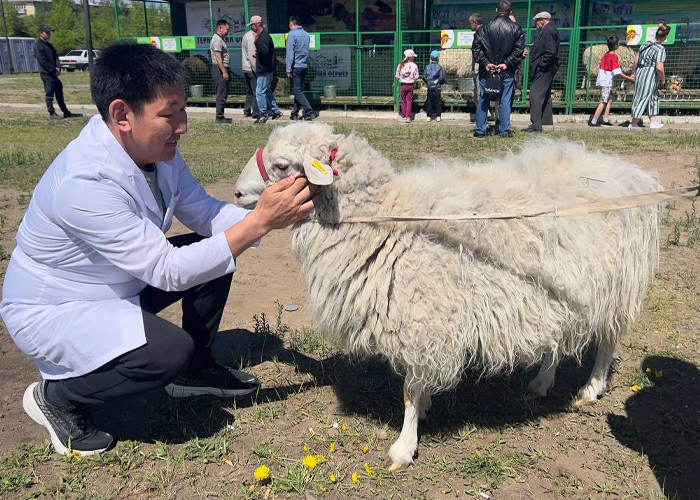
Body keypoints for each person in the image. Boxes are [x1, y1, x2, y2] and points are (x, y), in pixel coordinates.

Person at [0, 43, 316, 456]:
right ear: (122, 115)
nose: (182, 125)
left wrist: (272, 216)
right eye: (170, 114)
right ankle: (58, 397)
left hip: (119, 282)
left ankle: (196, 370)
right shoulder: (84, 182)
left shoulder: (157, 151)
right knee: (167, 351)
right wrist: (259, 222)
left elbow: (202, 211)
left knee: (214, 250)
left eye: (183, 110)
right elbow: (168, 271)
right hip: (60, 306)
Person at [471, 0, 525, 138]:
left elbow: (476, 49)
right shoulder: (516, 29)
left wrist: (486, 63)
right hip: (506, 71)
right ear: (510, 12)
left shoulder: (483, 29)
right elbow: (518, 50)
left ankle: (480, 131)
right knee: (505, 101)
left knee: (484, 99)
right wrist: (506, 63)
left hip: (487, 71)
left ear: (496, 10)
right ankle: (504, 131)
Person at [35, 25, 82, 120]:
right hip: (46, 74)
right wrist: (53, 70)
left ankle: (66, 112)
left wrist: (58, 67)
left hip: (54, 74)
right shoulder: (38, 45)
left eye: (49, 32)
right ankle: (51, 113)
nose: (49, 34)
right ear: (41, 33)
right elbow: (43, 61)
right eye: (47, 32)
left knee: (59, 92)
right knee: (49, 94)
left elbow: (56, 58)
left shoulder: (49, 45)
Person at [523, 11, 559, 133]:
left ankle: (536, 125)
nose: (535, 25)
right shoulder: (548, 30)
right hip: (547, 68)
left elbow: (550, 52)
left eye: (536, 22)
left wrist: (541, 66)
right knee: (545, 95)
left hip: (545, 69)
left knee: (535, 94)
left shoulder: (548, 31)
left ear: (542, 20)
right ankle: (546, 122)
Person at [629, 23, 670, 130]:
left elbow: (636, 60)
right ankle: (633, 123)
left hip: (640, 72)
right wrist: (663, 78)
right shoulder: (660, 49)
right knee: (642, 97)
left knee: (652, 96)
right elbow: (659, 67)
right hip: (650, 74)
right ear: (665, 37)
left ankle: (653, 121)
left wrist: (633, 73)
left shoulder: (645, 44)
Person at [589, 35, 634, 127]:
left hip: (604, 80)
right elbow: (618, 72)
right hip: (606, 82)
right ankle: (594, 121)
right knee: (604, 101)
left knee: (609, 100)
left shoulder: (606, 55)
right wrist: (630, 78)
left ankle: (605, 119)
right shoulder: (613, 57)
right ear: (616, 45)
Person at [250, 15, 282, 124]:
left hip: (264, 70)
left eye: (252, 25)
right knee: (267, 91)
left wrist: (256, 42)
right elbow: (264, 52)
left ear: (256, 25)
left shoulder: (262, 38)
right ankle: (276, 111)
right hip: (268, 69)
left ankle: (263, 114)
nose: (251, 28)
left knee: (259, 92)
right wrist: (257, 53)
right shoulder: (265, 36)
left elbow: (264, 52)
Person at [287, 16, 317, 121]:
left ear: (291, 24)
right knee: (298, 90)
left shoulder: (291, 34)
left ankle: (309, 111)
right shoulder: (306, 34)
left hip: (295, 66)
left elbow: (290, 53)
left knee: (297, 91)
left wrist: (288, 69)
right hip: (304, 65)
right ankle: (294, 113)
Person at [210, 19, 231, 124]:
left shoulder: (220, 39)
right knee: (221, 94)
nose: (228, 31)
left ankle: (221, 115)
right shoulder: (217, 40)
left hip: (221, 69)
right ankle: (219, 117)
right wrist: (224, 71)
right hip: (219, 69)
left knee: (223, 93)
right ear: (220, 28)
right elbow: (218, 57)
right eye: (226, 29)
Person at [241, 22, 259, 119]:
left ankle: (247, 110)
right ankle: (255, 112)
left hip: (245, 67)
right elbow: (252, 56)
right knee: (255, 91)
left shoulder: (245, 35)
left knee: (249, 91)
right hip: (251, 68)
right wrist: (256, 69)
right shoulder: (252, 38)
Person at [395, 49, 418, 123]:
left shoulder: (400, 65)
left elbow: (397, 76)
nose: (413, 57)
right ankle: (408, 116)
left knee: (403, 100)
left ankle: (404, 115)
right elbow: (416, 76)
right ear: (410, 57)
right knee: (409, 101)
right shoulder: (414, 65)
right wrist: (414, 81)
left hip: (403, 85)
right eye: (413, 56)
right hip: (410, 85)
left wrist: (402, 78)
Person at [423, 50, 446, 121]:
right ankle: (438, 116)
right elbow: (442, 77)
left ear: (431, 58)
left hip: (430, 87)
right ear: (438, 59)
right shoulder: (440, 67)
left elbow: (424, 76)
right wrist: (439, 83)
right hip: (437, 87)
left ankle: (428, 116)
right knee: (438, 101)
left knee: (429, 101)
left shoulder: (427, 67)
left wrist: (428, 83)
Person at [469, 13, 484, 107]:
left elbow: (478, 50)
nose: (470, 25)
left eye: (470, 23)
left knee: (479, 88)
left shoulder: (480, 33)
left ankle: (483, 113)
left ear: (475, 23)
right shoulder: (485, 30)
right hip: (482, 62)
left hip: (480, 63)